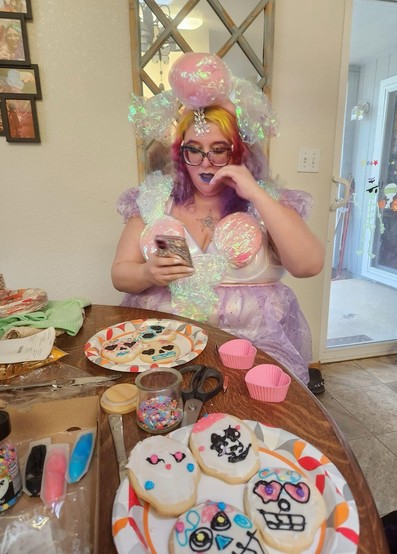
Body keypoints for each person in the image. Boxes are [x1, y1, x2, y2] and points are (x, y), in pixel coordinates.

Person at [112, 52, 325, 390]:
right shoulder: (155, 201)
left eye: (219, 149)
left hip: (254, 359)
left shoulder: (267, 202)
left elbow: (309, 264)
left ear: (237, 151)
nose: (206, 162)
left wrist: (256, 192)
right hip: (169, 352)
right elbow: (120, 273)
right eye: (193, 149)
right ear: (181, 154)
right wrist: (146, 273)